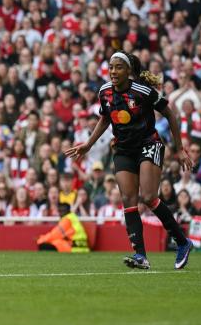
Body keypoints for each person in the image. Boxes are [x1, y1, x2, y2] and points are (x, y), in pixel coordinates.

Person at [66, 51, 194, 270]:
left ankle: (182, 242)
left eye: (118, 67)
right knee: (128, 198)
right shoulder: (104, 92)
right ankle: (140, 256)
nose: (113, 72)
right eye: (111, 67)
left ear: (129, 71)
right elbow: (106, 118)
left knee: (149, 197)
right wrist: (88, 144)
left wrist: (180, 149)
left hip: (148, 144)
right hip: (123, 148)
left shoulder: (143, 91)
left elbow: (171, 115)